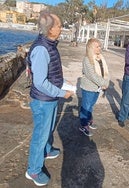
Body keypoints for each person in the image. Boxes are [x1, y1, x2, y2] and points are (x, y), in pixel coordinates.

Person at [25, 11, 74, 186]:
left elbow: (51, 73)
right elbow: (40, 82)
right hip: (43, 101)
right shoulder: (41, 48)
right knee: (40, 135)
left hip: (49, 99)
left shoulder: (49, 44)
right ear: (50, 29)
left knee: (49, 129)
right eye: (59, 25)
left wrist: (63, 83)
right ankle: (33, 170)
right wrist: (62, 93)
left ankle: (46, 150)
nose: (61, 28)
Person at [79, 38, 110, 136]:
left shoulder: (100, 58)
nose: (99, 48)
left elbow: (105, 71)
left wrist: (106, 81)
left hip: (97, 87)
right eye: (97, 46)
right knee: (86, 107)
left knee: (90, 106)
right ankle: (83, 125)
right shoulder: (87, 59)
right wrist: (103, 83)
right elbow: (92, 75)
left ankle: (89, 121)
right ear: (91, 48)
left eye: (99, 46)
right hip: (89, 88)